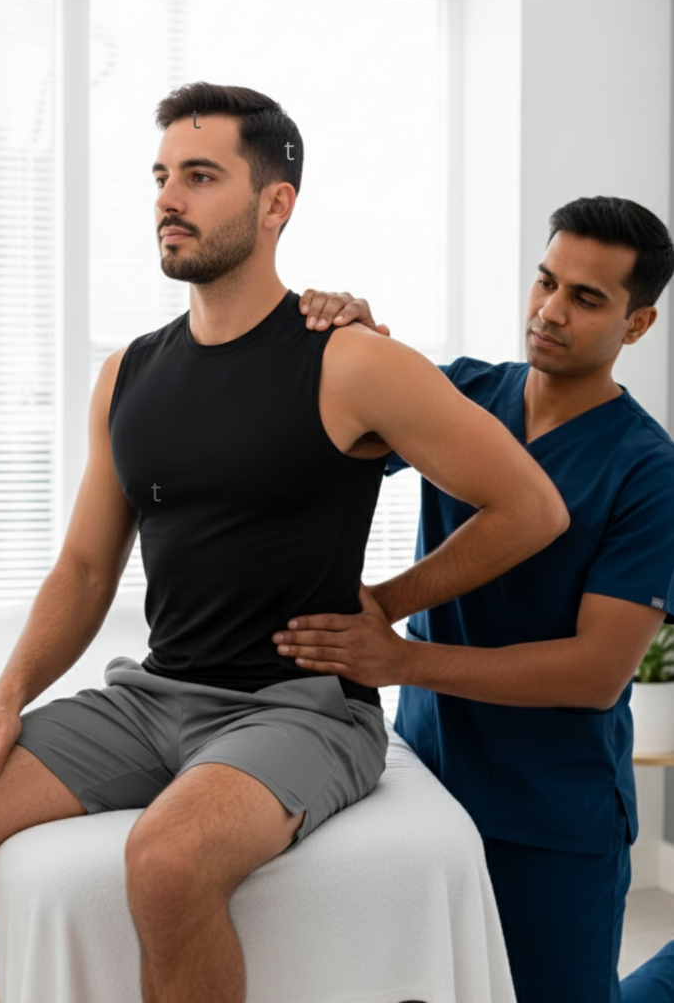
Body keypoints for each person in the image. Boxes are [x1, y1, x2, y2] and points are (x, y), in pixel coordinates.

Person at [0, 82, 568, 1003]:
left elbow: (529, 507)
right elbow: (88, 567)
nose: (168, 199)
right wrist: (9, 694)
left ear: (275, 204)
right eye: (160, 176)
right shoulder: (126, 374)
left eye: (200, 176)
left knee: (167, 861)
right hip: (153, 696)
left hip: (300, 709)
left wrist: (387, 607)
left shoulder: (350, 359)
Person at [274, 195, 674, 1003]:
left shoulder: (647, 470)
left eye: (585, 298)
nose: (549, 311)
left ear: (636, 325)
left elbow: (595, 673)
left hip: (552, 814)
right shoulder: (464, 393)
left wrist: (400, 659)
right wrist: (348, 340)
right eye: (545, 281)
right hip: (428, 782)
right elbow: (335, 423)